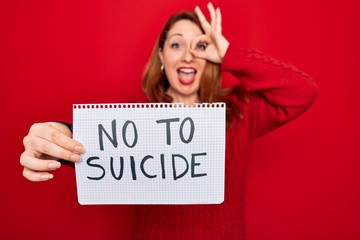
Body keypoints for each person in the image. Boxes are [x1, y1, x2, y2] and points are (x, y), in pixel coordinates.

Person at [20, 2, 318, 239]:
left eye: (199, 46)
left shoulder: (238, 112)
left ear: (210, 58)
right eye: (176, 45)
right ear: (162, 56)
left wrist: (228, 53)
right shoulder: (136, 121)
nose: (188, 55)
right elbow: (91, 143)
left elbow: (303, 91)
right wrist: (57, 135)